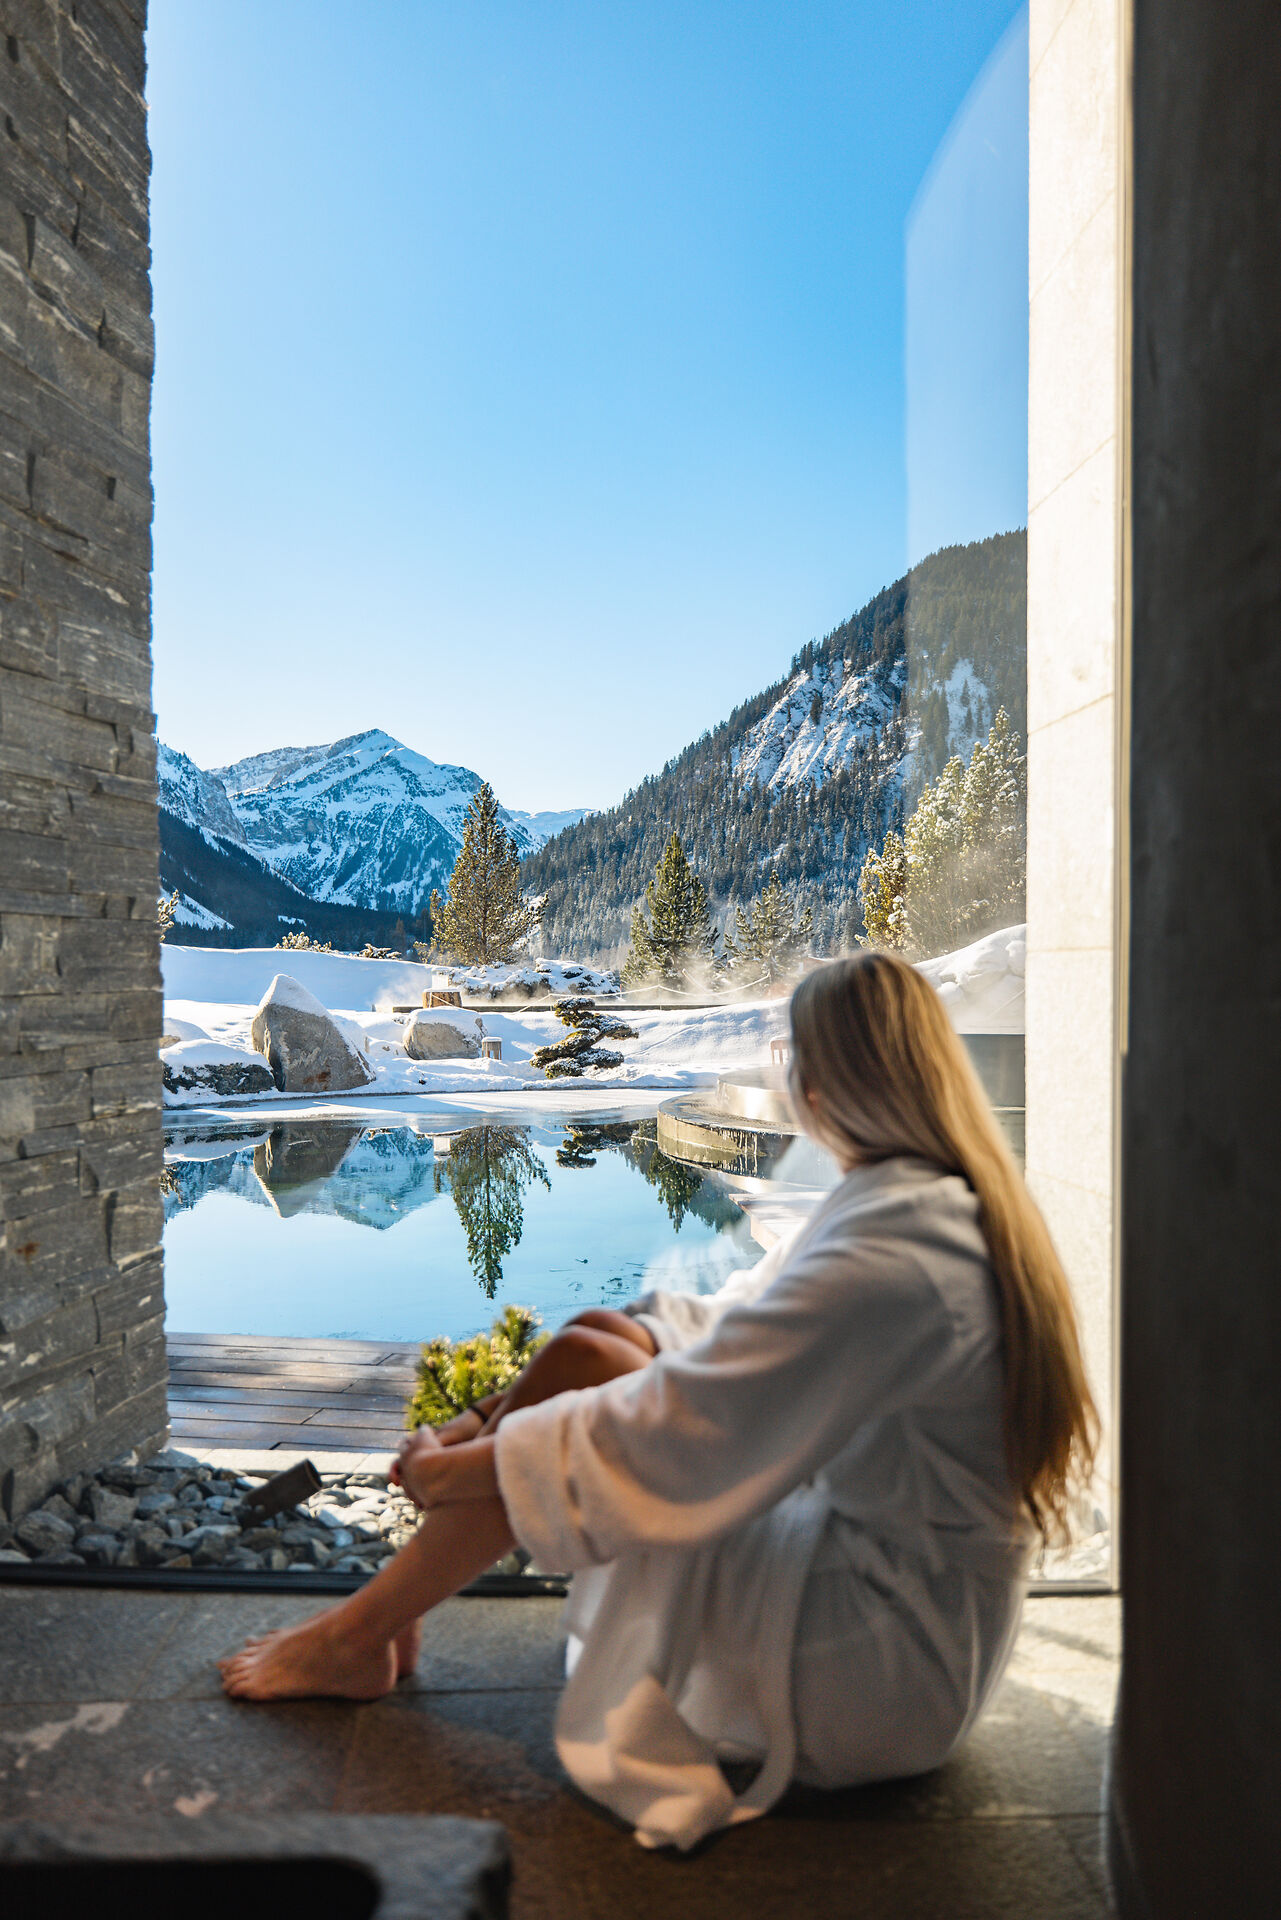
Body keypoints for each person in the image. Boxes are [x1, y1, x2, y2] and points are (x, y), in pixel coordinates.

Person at [220, 951, 1098, 1852]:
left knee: (600, 1394)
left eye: (788, 1056)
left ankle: (359, 1631)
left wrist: (463, 1466)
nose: (778, 1076)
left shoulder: (897, 1250)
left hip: (879, 1663)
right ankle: (379, 1622)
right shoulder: (909, 1201)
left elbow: (692, 1426)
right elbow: (735, 1323)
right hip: (889, 1598)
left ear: (830, 1081)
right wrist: (542, 1390)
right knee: (596, 1340)